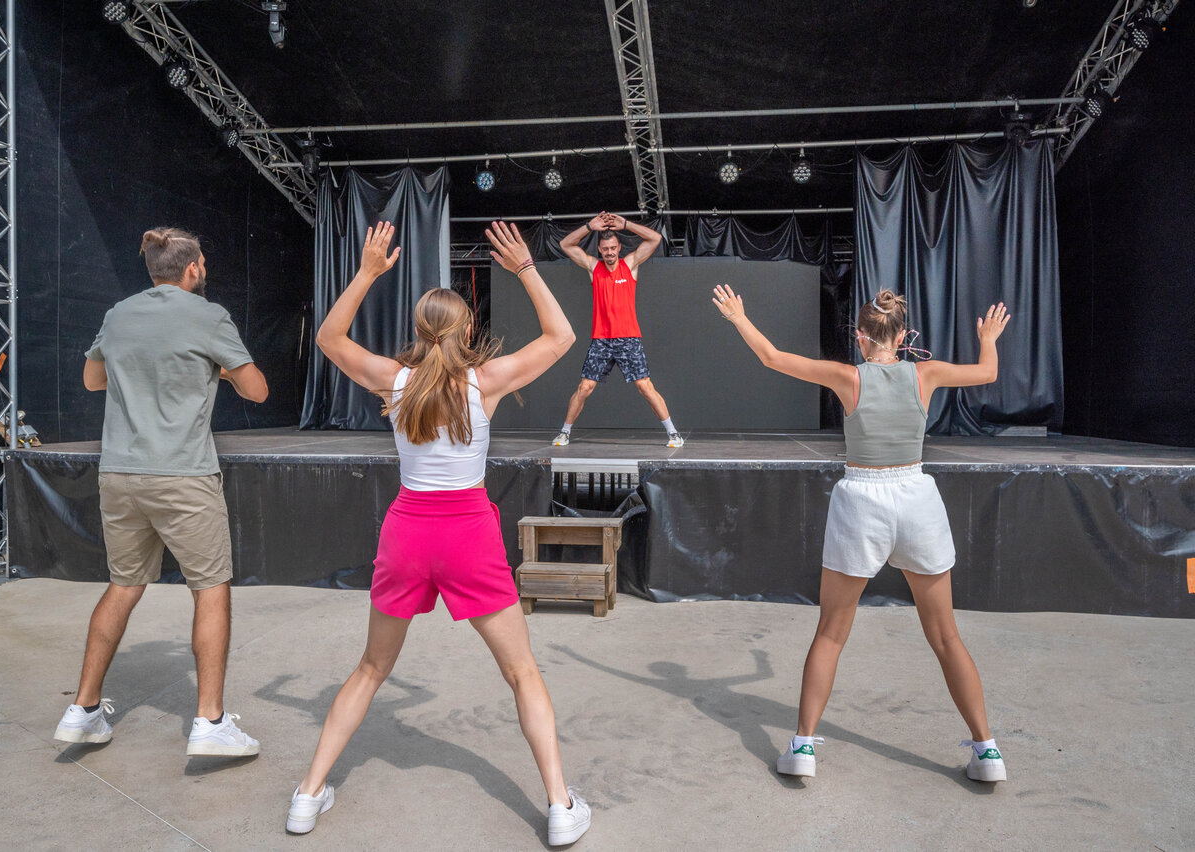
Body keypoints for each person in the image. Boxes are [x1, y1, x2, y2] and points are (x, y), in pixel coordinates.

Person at [285, 221, 592, 846]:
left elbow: (327, 336)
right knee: (523, 673)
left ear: (420, 332)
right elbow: (562, 336)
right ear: (467, 331)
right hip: (468, 533)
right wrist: (527, 269)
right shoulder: (487, 381)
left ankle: (306, 796)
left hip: (407, 532)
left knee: (371, 668)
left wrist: (370, 271)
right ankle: (561, 807)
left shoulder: (393, 381)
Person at [711, 284, 1011, 784]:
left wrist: (740, 317)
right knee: (945, 636)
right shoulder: (925, 374)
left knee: (831, 632)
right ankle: (988, 753)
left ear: (860, 337)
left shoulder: (848, 377)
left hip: (863, 501)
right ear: (902, 335)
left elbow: (771, 357)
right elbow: (987, 372)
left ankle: (803, 746)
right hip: (916, 499)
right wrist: (989, 337)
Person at [53, 228, 268, 758]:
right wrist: (216, 367)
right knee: (211, 587)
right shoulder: (209, 316)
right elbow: (256, 390)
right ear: (193, 267)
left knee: (122, 585)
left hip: (120, 474)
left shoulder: (118, 314)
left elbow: (92, 381)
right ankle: (210, 722)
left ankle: (82, 711)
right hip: (183, 475)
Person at [551, 212, 683, 448]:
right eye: (605, 249)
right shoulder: (594, 267)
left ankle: (673, 434)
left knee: (645, 386)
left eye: (613, 248)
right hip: (601, 340)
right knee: (584, 387)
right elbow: (565, 244)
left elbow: (655, 239)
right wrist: (589, 226)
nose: (609, 252)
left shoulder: (630, 264)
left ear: (618, 247)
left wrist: (625, 224)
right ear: (600, 250)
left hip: (629, 339)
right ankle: (564, 432)